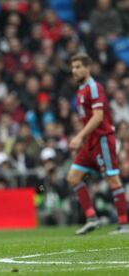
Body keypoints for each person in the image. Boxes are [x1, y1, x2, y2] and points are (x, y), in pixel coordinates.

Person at [67, 53, 128, 235]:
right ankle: (92, 218)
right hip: (90, 142)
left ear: (88, 68)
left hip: (102, 139)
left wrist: (79, 137)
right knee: (73, 177)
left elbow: (98, 116)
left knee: (112, 179)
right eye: (73, 67)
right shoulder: (80, 90)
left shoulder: (94, 88)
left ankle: (124, 224)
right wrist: (84, 138)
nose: (74, 71)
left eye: (78, 67)